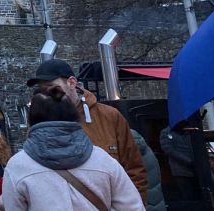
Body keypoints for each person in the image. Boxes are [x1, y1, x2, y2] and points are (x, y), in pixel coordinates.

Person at [2, 86, 144, 211]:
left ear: (32, 119)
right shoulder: (103, 160)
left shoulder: (18, 167)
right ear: (73, 115)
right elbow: (133, 207)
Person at [26, 59, 147, 202]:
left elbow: (134, 170)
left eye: (51, 87)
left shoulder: (109, 116)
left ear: (71, 83)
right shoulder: (39, 124)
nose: (46, 93)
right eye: (41, 88)